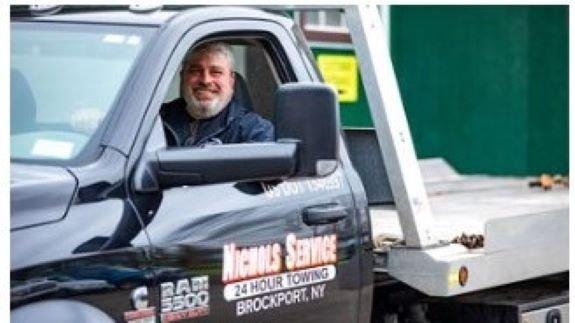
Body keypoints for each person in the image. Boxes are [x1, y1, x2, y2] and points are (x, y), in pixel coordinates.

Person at [161, 41, 274, 147]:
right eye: (195, 71)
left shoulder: (255, 131)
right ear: (183, 77)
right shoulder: (155, 120)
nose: (205, 80)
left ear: (231, 80)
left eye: (216, 72)